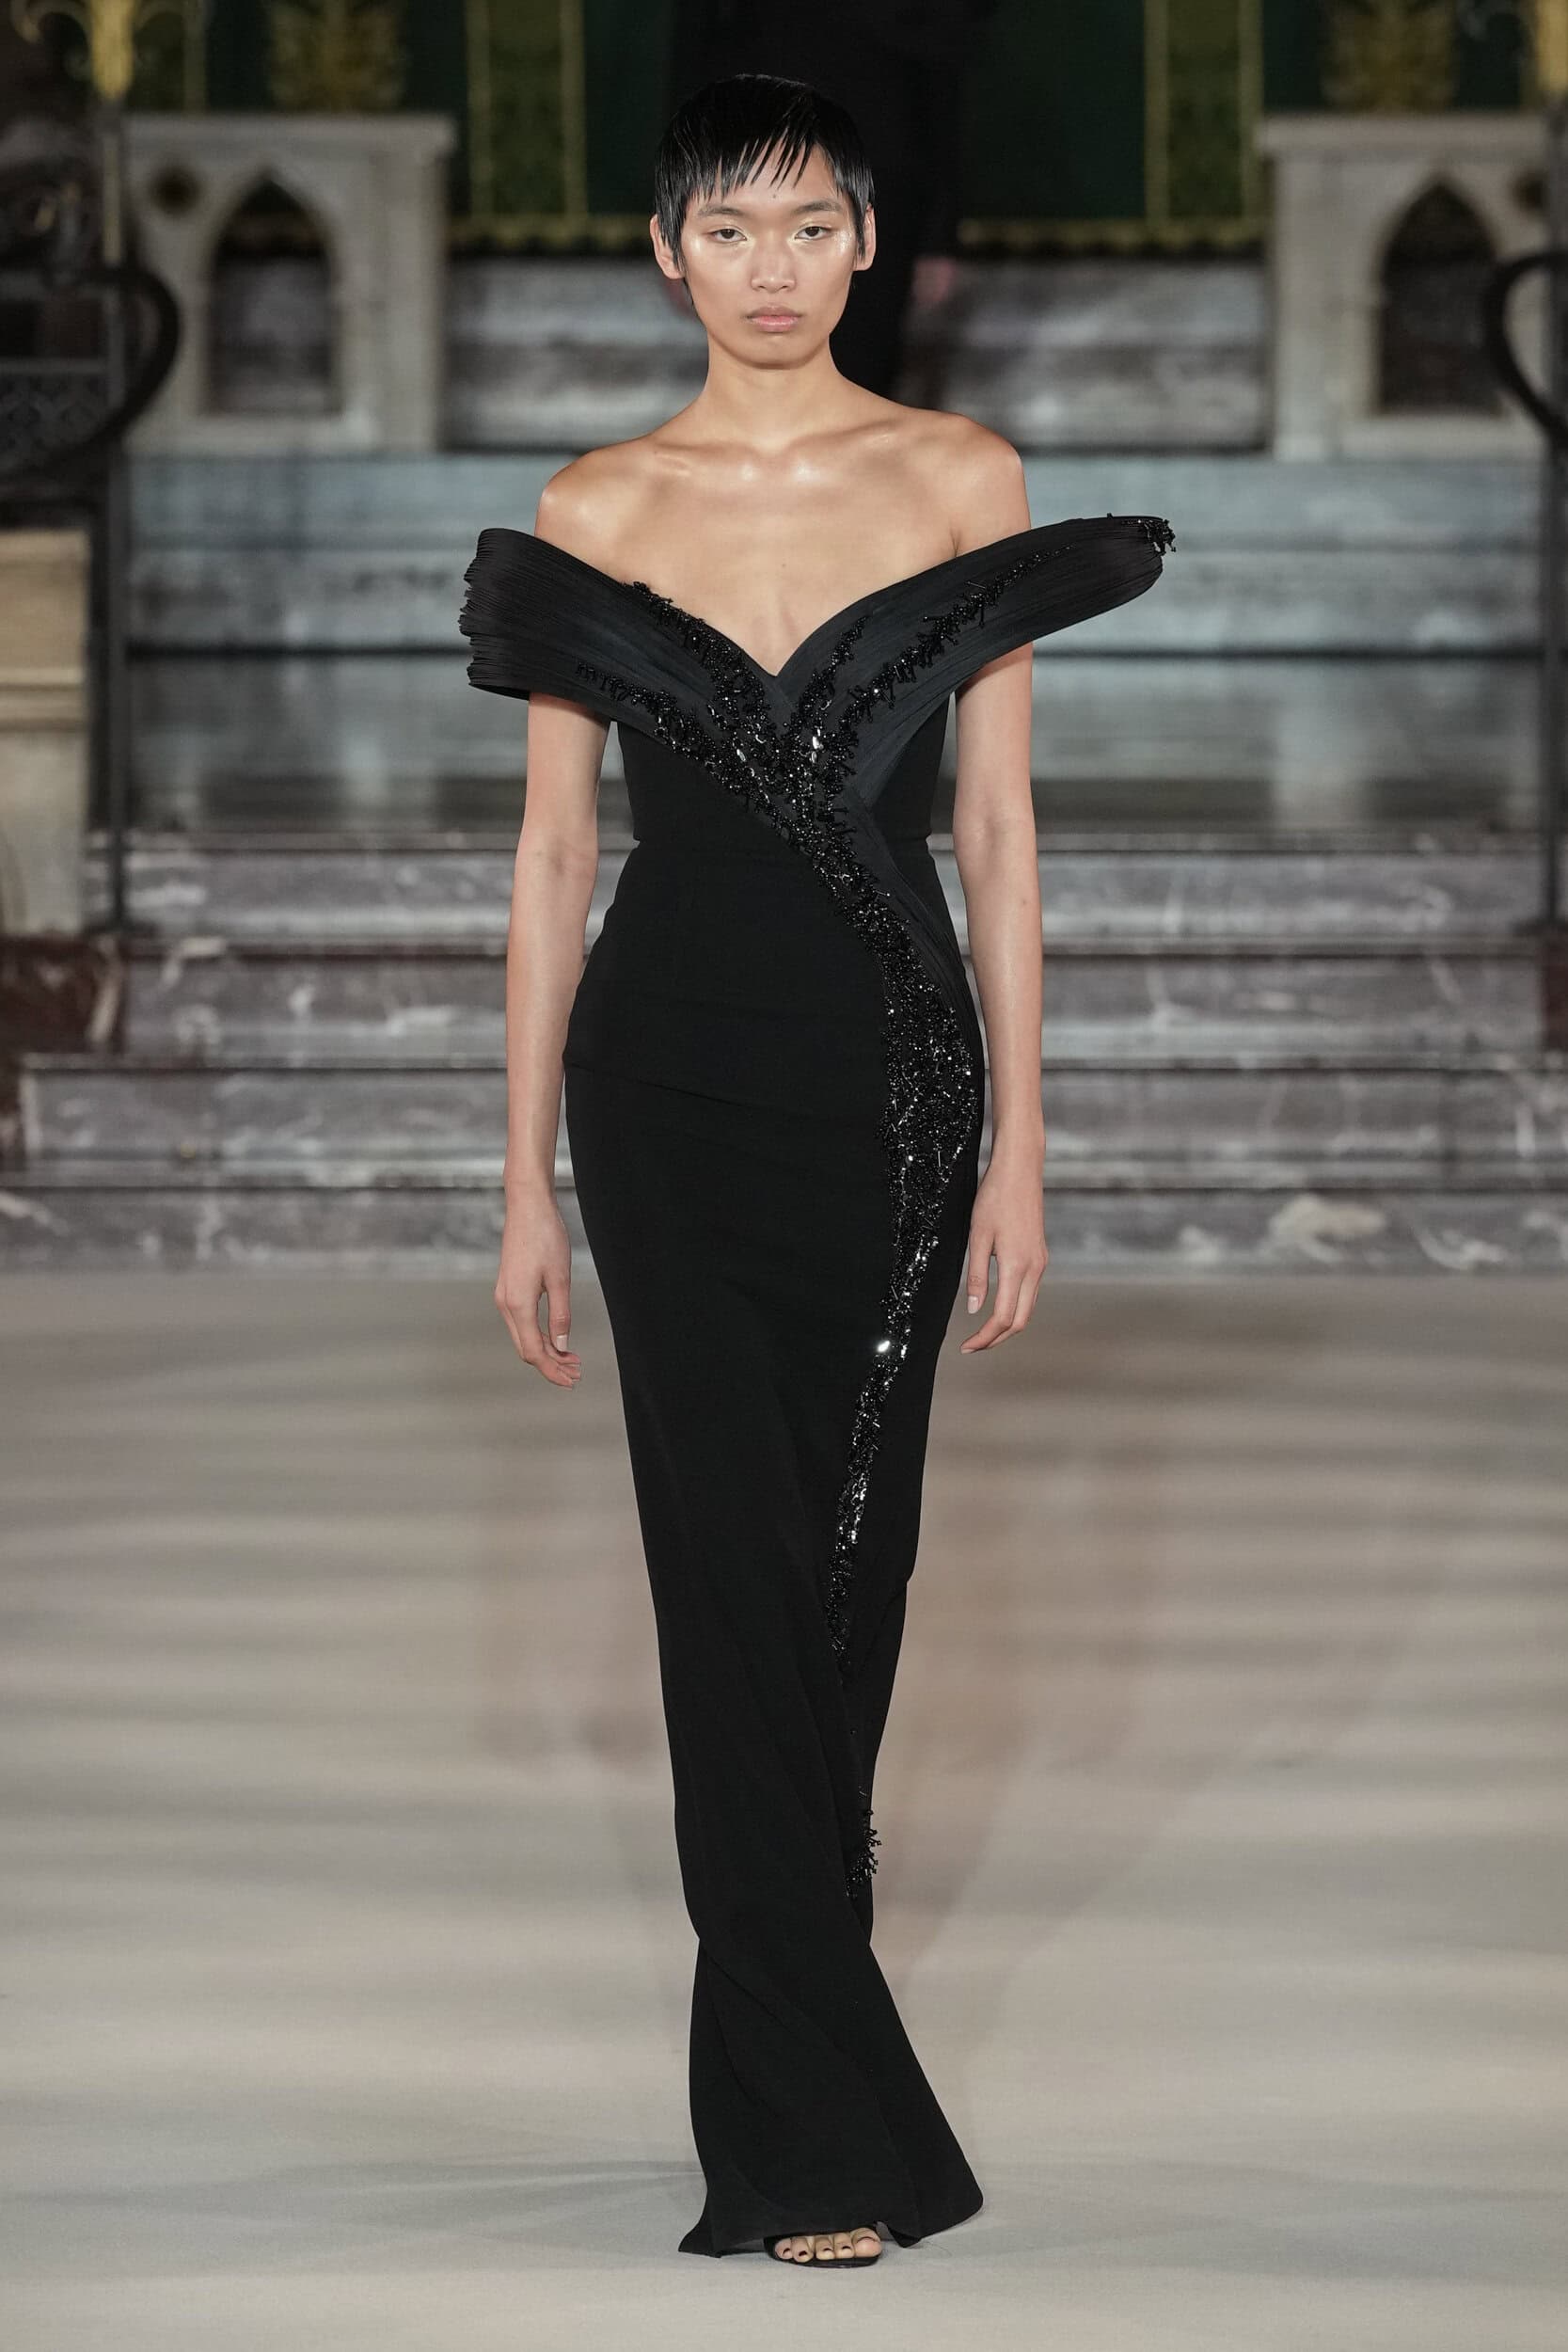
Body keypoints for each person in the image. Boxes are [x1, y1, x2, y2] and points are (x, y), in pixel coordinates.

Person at [460, 72, 1171, 2270]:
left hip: (893, 1079)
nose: (768, 267)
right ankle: (800, 2132)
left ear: (865, 242)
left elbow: (999, 829)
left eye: (806, 225)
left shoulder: (958, 476)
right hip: (662, 1087)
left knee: (851, 1566)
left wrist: (1024, 1139)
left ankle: (788, 2068)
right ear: (663, 254)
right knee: (721, 1574)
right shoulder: (595, 502)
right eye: (727, 229)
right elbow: (553, 853)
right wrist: (519, 1178)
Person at [666, 0, 1001, 392]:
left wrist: (937, 237)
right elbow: (693, 52)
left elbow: (941, 62)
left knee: (861, 378)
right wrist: (677, 217)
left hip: (879, 182)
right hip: (752, 169)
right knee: (761, 379)